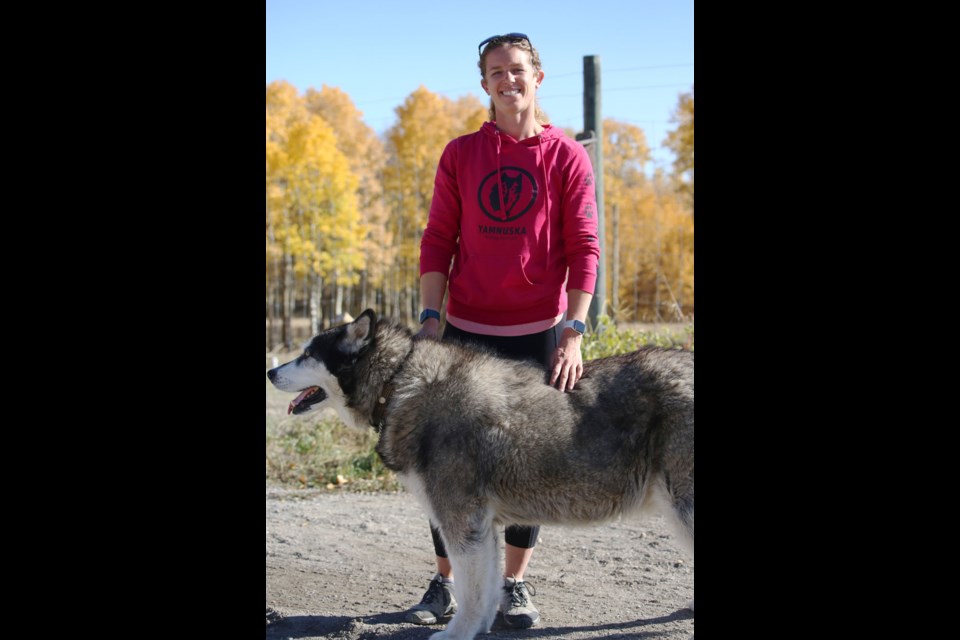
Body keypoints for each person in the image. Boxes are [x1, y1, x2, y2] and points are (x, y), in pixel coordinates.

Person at [404, 32, 600, 630]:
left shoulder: (567, 155)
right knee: (449, 464)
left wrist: (573, 329)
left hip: (537, 331)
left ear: (538, 77)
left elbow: (584, 248)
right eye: (495, 72)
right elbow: (439, 239)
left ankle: (513, 584)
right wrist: (431, 318)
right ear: (484, 84)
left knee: (527, 462)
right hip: (464, 331)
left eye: (517, 69)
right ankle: (446, 584)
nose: (507, 80)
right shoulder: (460, 153)